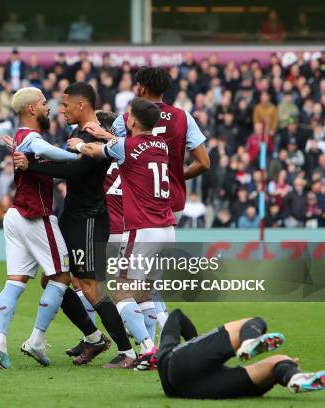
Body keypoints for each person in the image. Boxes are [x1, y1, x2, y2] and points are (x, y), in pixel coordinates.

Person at [14, 82, 136, 368]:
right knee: (52, 279)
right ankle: (93, 338)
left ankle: (127, 351)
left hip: (90, 218)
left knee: (91, 285)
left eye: (66, 104)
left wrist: (32, 166)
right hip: (72, 216)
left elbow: (76, 169)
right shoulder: (77, 134)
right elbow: (69, 165)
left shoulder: (93, 135)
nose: (61, 110)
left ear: (81, 105)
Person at [84, 67, 209, 331]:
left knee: (128, 282)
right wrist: (175, 176)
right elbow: (204, 163)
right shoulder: (183, 117)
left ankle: (147, 335)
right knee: (151, 281)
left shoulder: (128, 117)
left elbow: (117, 150)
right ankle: (156, 332)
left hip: (141, 205)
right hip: (171, 202)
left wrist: (95, 137)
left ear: (140, 88)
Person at [71, 98, 176, 369]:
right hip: (168, 229)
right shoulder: (161, 145)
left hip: (142, 230)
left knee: (121, 292)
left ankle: (147, 348)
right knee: (145, 292)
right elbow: (119, 145)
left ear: (131, 122)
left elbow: (97, 151)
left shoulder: (126, 147)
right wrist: (107, 136)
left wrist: (80, 145)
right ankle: (156, 348)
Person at [0, 87, 78, 369]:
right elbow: (41, 149)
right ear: (30, 109)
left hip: (16, 215)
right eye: (43, 103)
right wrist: (79, 155)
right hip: (36, 215)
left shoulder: (19, 136)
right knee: (62, 276)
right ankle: (36, 340)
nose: (48, 107)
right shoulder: (30, 137)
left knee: (15, 280)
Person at [156, 309, 325, 398]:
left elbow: (176, 319)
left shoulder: (165, 356)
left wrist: (196, 350)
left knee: (280, 363)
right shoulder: (166, 352)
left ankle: (294, 377)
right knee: (256, 322)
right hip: (188, 372)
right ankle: (249, 341)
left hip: (188, 389)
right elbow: (177, 315)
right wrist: (193, 344)